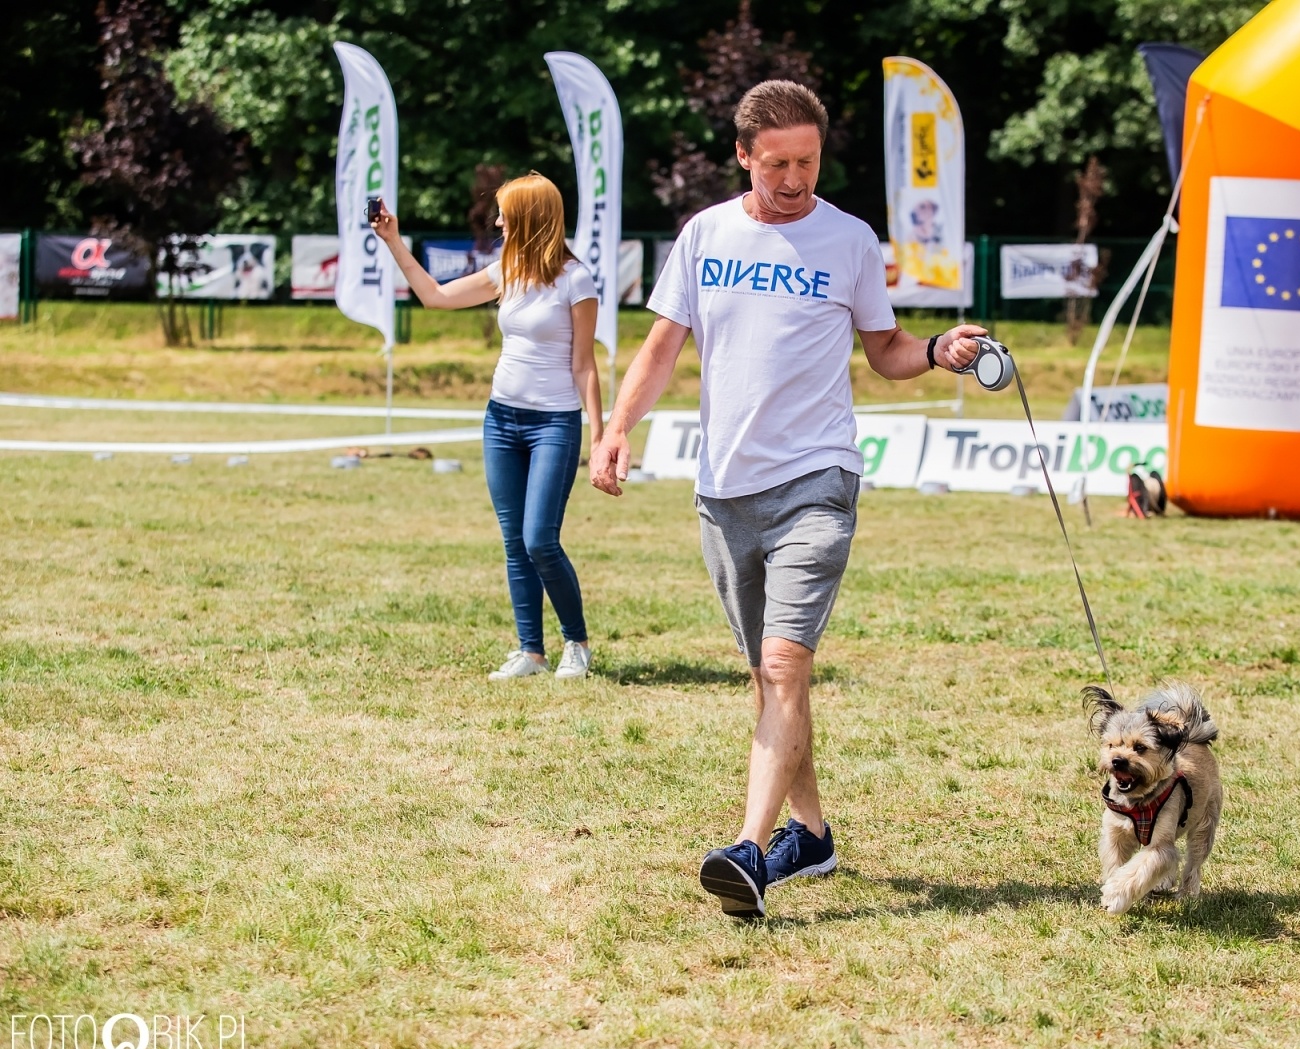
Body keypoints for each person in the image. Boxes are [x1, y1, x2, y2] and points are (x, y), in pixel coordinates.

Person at [590, 80, 986, 918]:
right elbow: (663, 345)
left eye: (807, 161)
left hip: (818, 477)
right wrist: (618, 425)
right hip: (723, 488)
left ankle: (749, 852)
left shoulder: (847, 239)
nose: (795, 178)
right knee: (767, 682)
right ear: (744, 155)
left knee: (783, 665)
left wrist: (940, 350)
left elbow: (883, 349)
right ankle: (811, 834)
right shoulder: (706, 234)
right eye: (778, 163)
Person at [373, 173, 602, 681]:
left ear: (529, 217)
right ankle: (531, 652)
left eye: (504, 213)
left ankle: (577, 644)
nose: (497, 221)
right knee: (514, 541)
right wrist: (393, 240)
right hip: (500, 420)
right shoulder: (506, 269)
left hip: (553, 425)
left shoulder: (576, 280)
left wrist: (603, 435)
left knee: (540, 538)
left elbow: (585, 365)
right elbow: (434, 296)